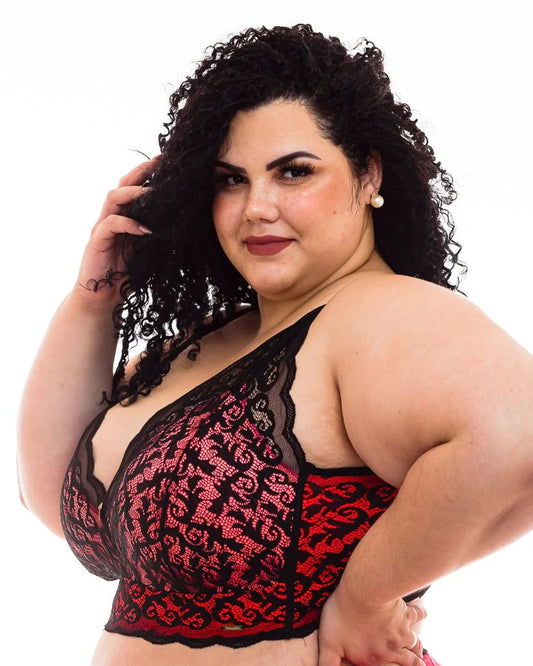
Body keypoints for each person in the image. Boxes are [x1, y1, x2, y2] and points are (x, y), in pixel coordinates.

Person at [16, 23, 533, 666]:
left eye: (293, 172)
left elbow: (518, 433)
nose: (256, 207)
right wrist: (94, 299)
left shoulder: (372, 312)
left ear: (368, 174)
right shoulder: (202, 346)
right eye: (230, 180)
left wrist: (366, 600)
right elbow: (48, 497)